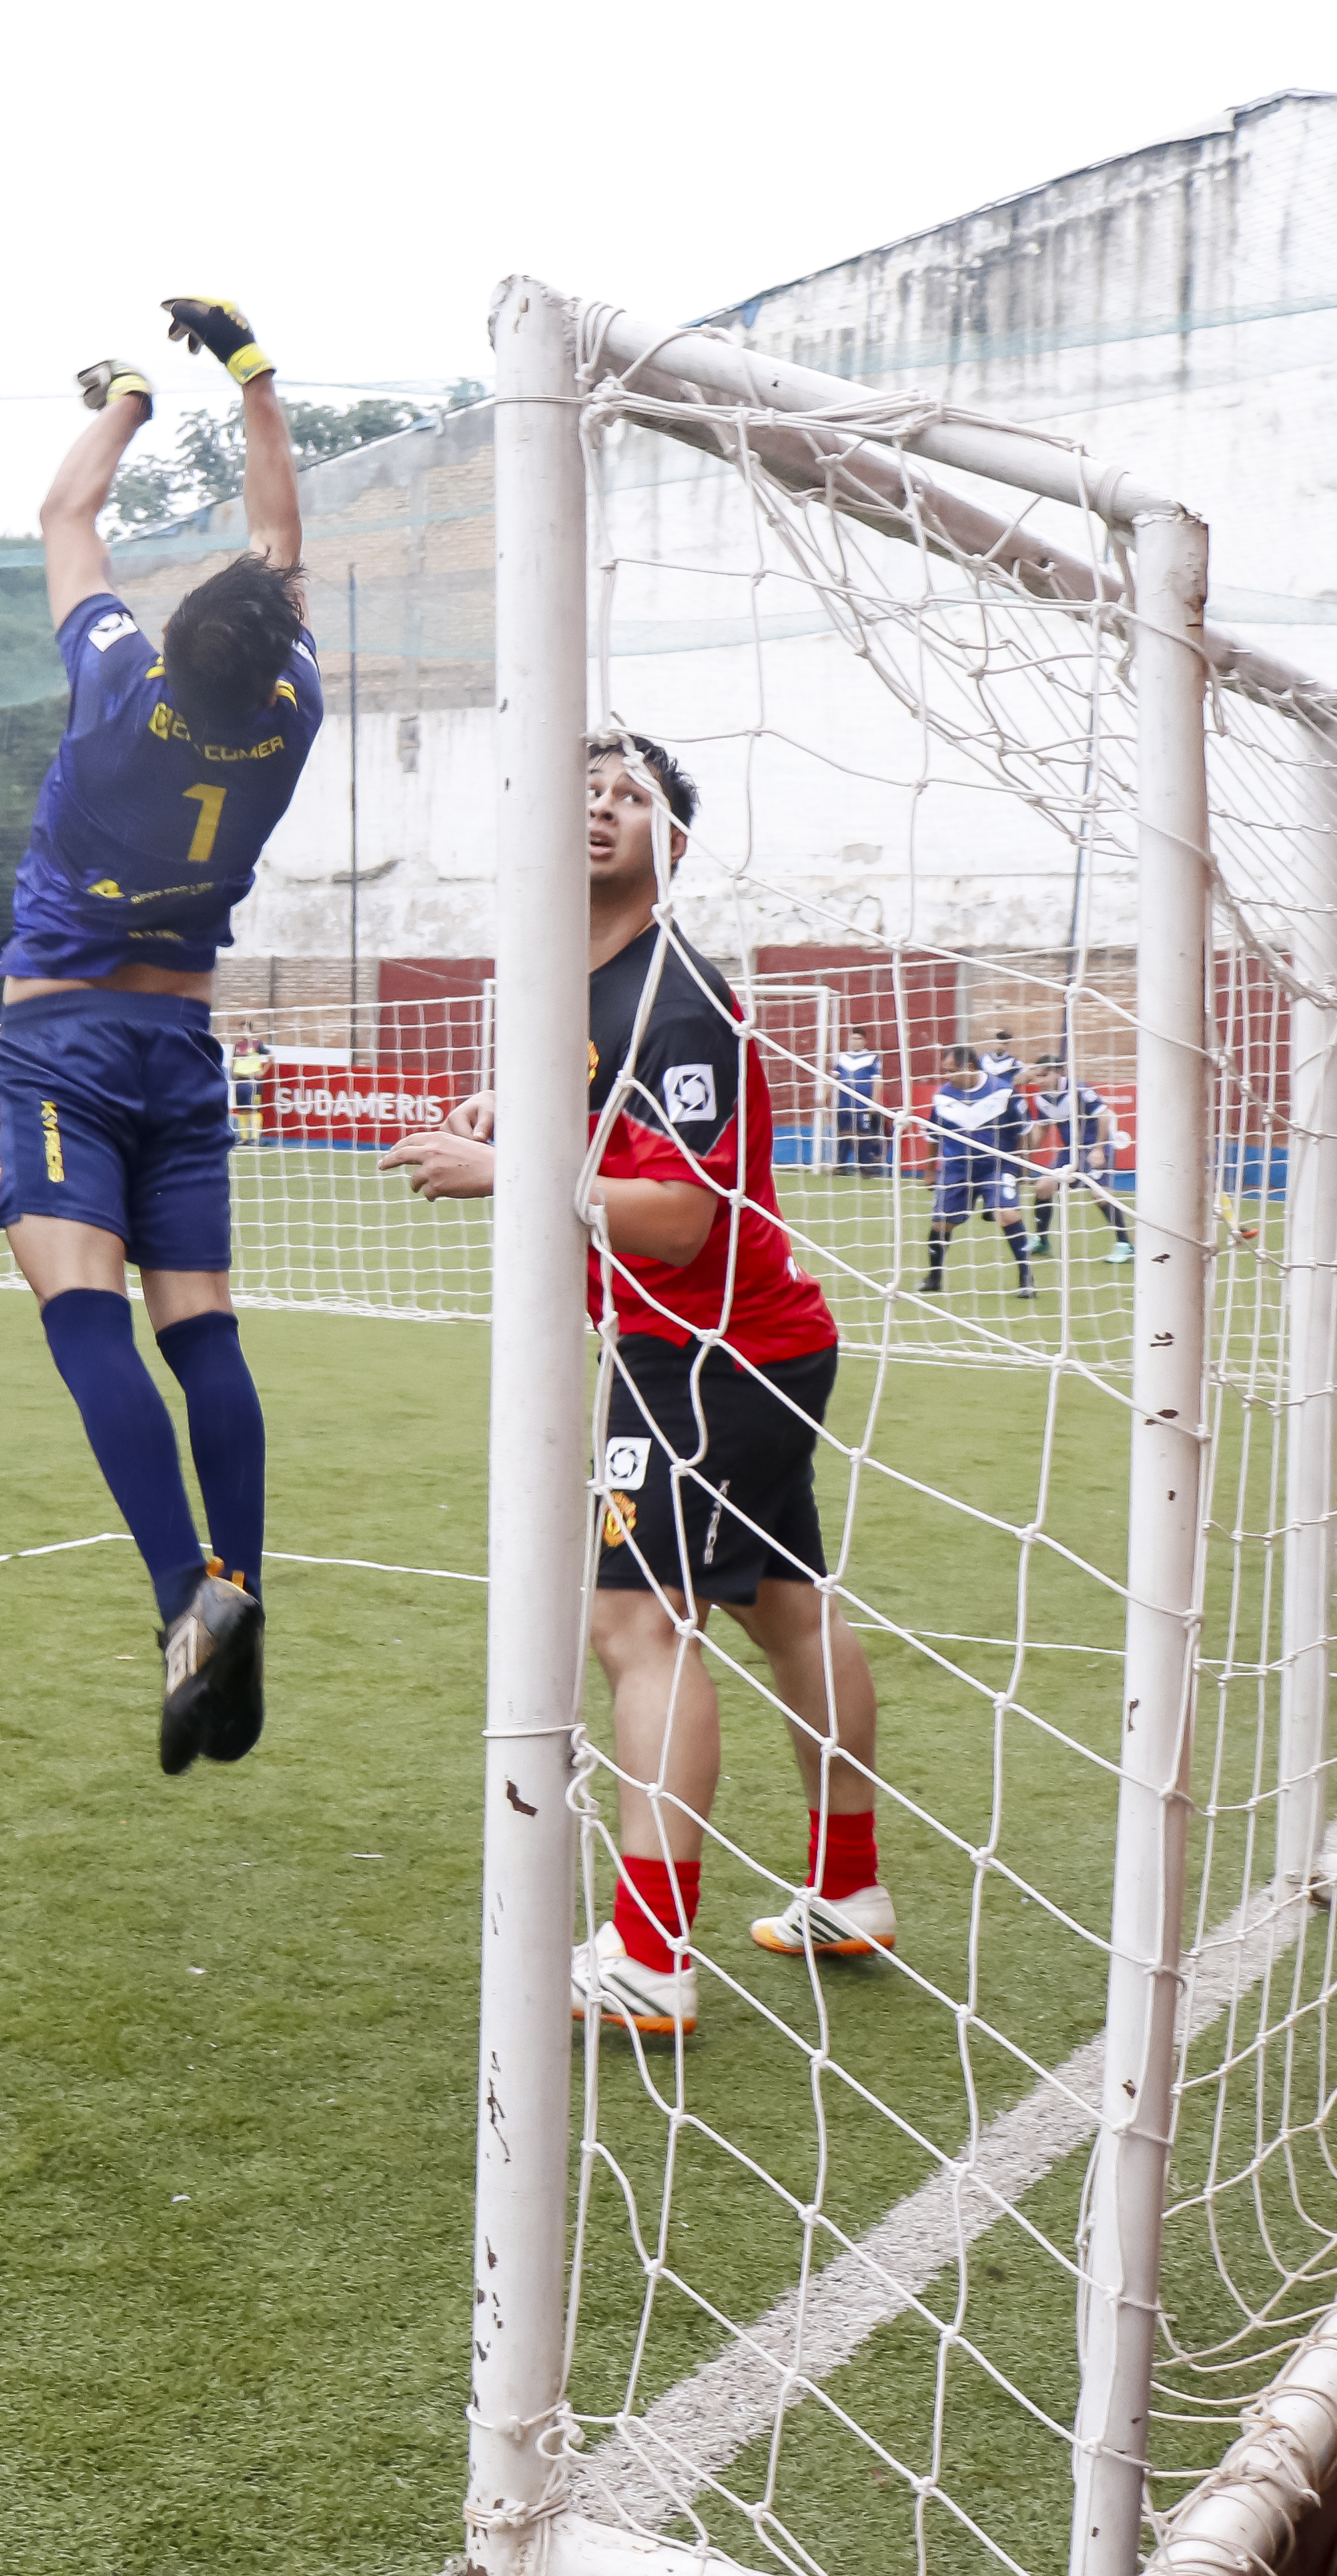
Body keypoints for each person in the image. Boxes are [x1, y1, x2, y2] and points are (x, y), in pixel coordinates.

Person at [377, 734, 889, 2030]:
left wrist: (512, 1171)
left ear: (673, 844)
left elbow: (676, 1217)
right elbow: (613, 1117)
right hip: (756, 1343)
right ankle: (850, 1887)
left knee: (637, 1626)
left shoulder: (674, 992)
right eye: (584, 785)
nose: (601, 804)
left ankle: (652, 1952)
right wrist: (518, 1110)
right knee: (788, 1609)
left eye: (632, 796)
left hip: (705, 1351)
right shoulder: (579, 981)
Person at [0, 295, 323, 1774]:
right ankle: (243, 1579)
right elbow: (281, 548)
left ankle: (181, 1594)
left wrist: (125, 398)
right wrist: (253, 380)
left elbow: (68, 511)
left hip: (66, 1037)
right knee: (205, 1330)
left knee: (82, 1314)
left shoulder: (121, 687)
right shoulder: (292, 712)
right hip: (187, 1049)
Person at [923, 1048, 1036, 1299]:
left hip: (997, 1166)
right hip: (957, 1168)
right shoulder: (942, 1097)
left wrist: (1024, 1163)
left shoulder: (1005, 1093)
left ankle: (1026, 1277)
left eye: (951, 1071)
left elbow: (1024, 1130)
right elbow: (932, 1135)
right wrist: (930, 1171)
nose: (947, 1077)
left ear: (970, 1068)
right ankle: (934, 1276)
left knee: (1007, 1215)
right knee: (941, 1223)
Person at [1026, 1057, 1132, 1261]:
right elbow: (1043, 1127)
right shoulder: (1042, 1098)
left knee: (1100, 1195)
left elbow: (1105, 1116)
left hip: (1096, 1146)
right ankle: (1041, 1240)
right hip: (1070, 1150)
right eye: (1037, 1076)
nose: (1040, 1081)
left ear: (1059, 1072)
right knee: (1043, 1187)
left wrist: (1099, 1149)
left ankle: (1124, 1244)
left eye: (1044, 1075)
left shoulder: (1079, 1090)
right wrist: (1026, 1154)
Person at [829, 1037, 883, 1175]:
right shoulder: (842, 1058)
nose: (855, 1041)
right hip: (845, 1104)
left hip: (864, 1105)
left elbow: (877, 1081)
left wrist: (874, 1103)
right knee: (844, 1134)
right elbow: (832, 1078)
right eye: (852, 1038)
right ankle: (841, 1165)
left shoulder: (872, 1058)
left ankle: (865, 1166)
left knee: (864, 1135)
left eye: (858, 1038)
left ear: (865, 1041)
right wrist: (823, 1096)